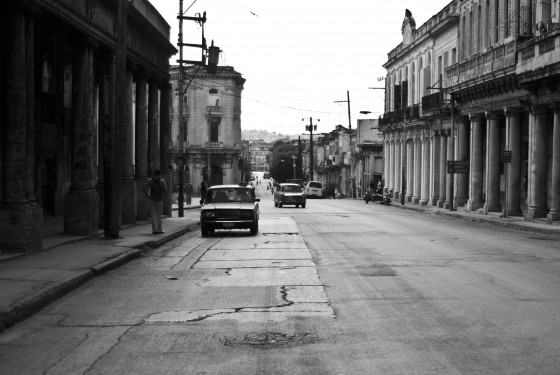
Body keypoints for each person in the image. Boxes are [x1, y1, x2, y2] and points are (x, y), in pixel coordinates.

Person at [142, 170, 167, 234]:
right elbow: (165, 190)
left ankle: (155, 230)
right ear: (159, 174)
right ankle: (160, 230)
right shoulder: (162, 181)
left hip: (152, 199)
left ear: (154, 174)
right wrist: (164, 197)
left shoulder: (150, 181)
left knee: (153, 216)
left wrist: (147, 194)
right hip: (160, 200)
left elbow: (143, 187)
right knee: (159, 216)